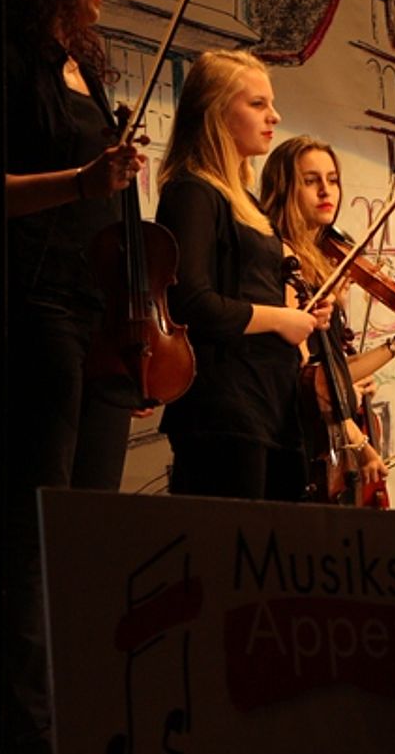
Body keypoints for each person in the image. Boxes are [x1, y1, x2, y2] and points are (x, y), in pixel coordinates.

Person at [2, 0, 147, 750]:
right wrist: (83, 183)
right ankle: (32, 724)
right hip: (40, 304)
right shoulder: (14, 57)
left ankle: (88, 711)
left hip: (104, 315)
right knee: (39, 530)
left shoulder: (85, 66)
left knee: (91, 531)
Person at [154, 49, 357, 502]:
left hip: (271, 406)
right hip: (225, 407)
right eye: (257, 104)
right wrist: (282, 319)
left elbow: (253, 289)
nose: (274, 116)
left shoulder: (244, 201)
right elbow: (191, 301)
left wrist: (303, 311)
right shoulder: (192, 192)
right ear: (217, 111)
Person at [258, 136, 395, 476]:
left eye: (333, 180)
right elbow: (310, 380)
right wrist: (359, 441)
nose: (326, 191)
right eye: (311, 181)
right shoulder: (283, 262)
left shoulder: (322, 263)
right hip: (288, 432)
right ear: (284, 188)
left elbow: (333, 371)